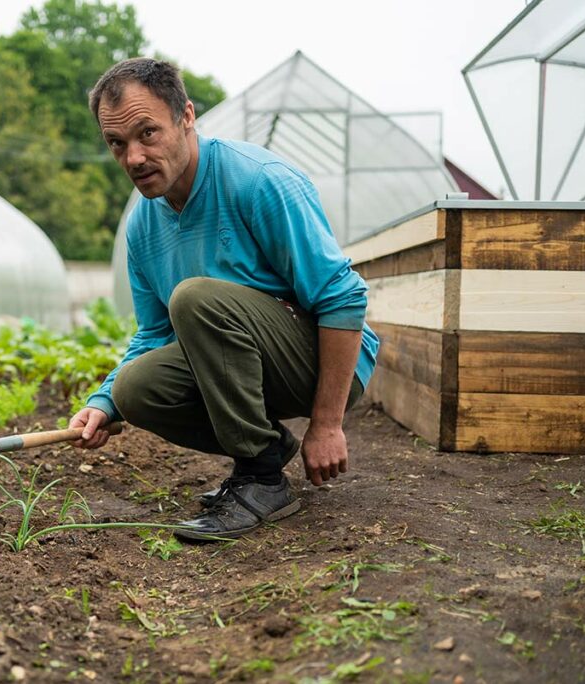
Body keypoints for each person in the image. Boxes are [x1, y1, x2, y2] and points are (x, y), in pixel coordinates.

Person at [68, 57, 379, 542]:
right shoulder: (143, 227)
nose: (133, 158)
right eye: (117, 143)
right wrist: (105, 401)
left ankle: (260, 481)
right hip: (242, 365)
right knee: (136, 389)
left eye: (147, 133)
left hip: (319, 362)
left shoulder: (258, 181)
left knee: (194, 298)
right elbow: (154, 334)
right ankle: (267, 453)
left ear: (186, 116)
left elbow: (342, 297)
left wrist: (327, 424)